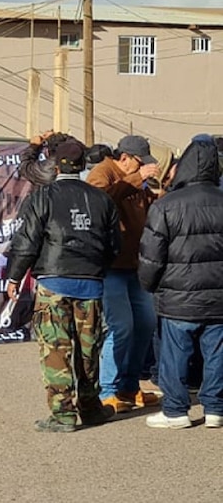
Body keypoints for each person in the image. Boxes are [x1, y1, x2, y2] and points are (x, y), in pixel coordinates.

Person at [5, 140, 121, 432]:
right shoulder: (102, 200)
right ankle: (91, 409)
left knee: (56, 350)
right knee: (88, 350)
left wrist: (14, 277)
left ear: (55, 166)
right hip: (91, 283)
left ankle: (63, 415)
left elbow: (26, 241)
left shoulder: (42, 196)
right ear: (83, 165)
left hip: (53, 283)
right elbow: (113, 246)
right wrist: (95, 268)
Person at [138, 139, 223, 429]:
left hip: (177, 295)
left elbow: (151, 255)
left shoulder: (166, 205)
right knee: (217, 352)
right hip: (219, 295)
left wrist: (148, 285)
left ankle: (175, 411)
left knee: (174, 354)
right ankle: (215, 409)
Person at [86, 134, 162, 413]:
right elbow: (98, 202)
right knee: (121, 327)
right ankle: (108, 390)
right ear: (125, 158)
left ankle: (130, 386)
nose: (144, 169)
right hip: (112, 266)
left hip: (135, 264)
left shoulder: (136, 180)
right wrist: (134, 180)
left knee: (145, 322)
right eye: (140, 163)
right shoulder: (102, 172)